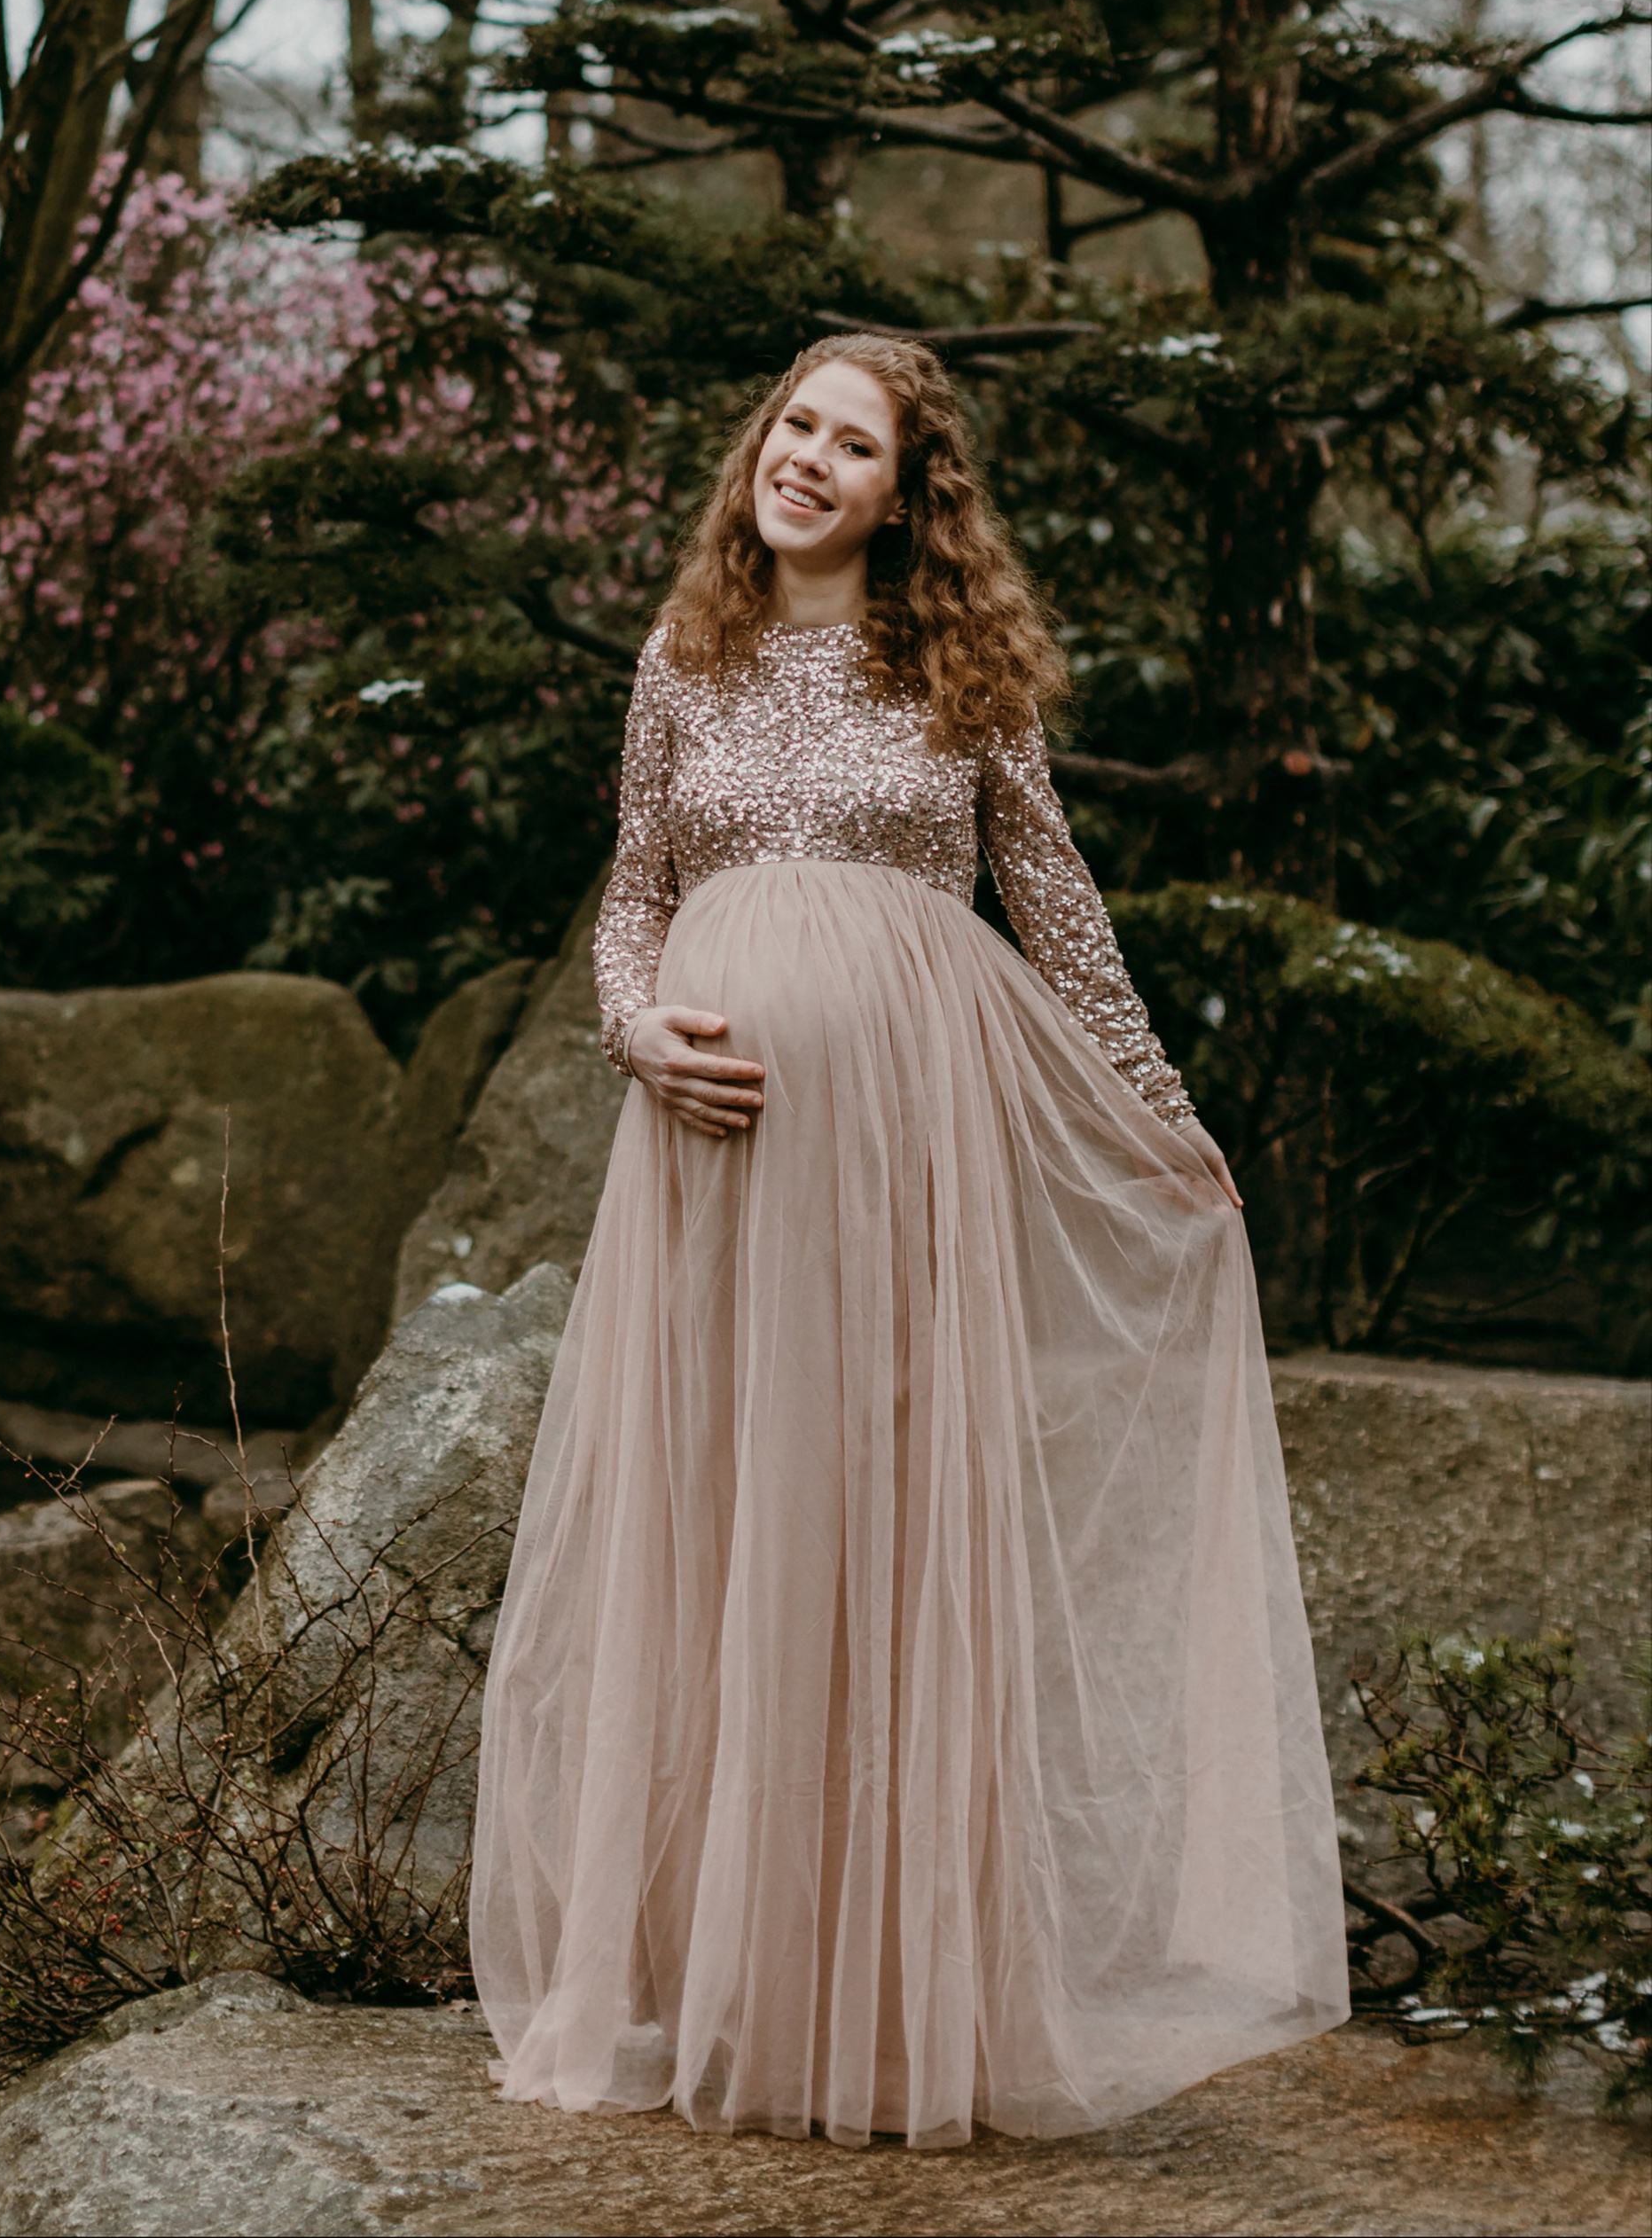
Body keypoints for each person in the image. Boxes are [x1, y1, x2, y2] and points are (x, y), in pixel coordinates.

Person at [471, 333, 1348, 2153]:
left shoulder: (952, 667)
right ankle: (704, 1980)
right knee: (721, 1523)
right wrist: (633, 1029)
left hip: (898, 1169)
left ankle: (879, 2003)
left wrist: (1160, 1109)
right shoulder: (681, 658)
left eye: (847, 442)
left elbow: (1053, 901)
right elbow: (630, 900)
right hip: (710, 1170)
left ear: (903, 492)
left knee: (878, 1529)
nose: (802, 458)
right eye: (789, 423)